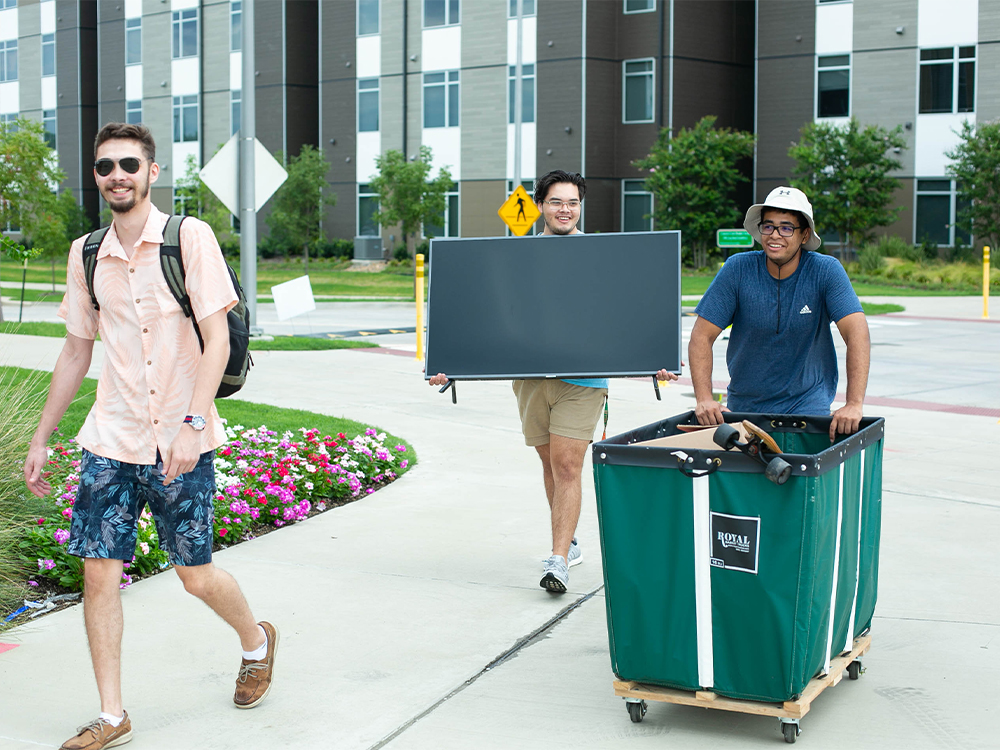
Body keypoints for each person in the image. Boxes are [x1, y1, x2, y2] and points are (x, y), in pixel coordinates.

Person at [22, 123, 276, 750]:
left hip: (180, 439)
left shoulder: (189, 238)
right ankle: (112, 715)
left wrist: (193, 424)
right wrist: (41, 436)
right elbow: (75, 352)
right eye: (105, 166)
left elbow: (217, 339)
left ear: (152, 171)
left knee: (195, 573)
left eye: (128, 164)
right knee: (99, 574)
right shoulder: (87, 253)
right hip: (111, 437)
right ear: (97, 176)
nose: (117, 175)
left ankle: (257, 641)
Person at [430, 170, 677, 594]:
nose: (566, 210)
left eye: (573, 203)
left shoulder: (601, 256)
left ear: (581, 207)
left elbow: (629, 312)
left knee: (567, 465)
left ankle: (558, 559)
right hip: (529, 378)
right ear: (540, 205)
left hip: (583, 380)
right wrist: (452, 364)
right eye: (557, 202)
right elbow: (491, 313)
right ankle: (570, 539)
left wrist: (655, 357)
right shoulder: (518, 256)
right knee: (550, 466)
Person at [688, 186, 870, 441]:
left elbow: (857, 333)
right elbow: (701, 336)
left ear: (805, 234)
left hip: (807, 410)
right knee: (746, 481)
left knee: (801, 479)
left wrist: (854, 403)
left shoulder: (825, 271)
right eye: (768, 226)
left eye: (786, 228)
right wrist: (704, 399)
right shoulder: (737, 270)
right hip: (744, 410)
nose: (775, 235)